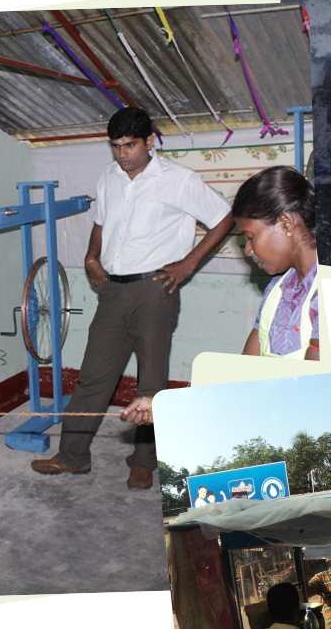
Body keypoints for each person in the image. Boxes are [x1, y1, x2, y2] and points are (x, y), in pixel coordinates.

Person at [32, 107, 232, 490]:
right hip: (112, 290)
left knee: (150, 383)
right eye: (116, 146)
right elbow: (102, 223)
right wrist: (91, 257)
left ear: (149, 141)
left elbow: (225, 217)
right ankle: (72, 456)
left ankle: (144, 463)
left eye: (130, 145)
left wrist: (188, 265)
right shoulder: (109, 177)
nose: (123, 154)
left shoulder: (178, 179)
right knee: (92, 377)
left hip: (154, 291)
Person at [232, 166, 320, 360]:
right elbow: (246, 365)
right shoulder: (277, 289)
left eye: (250, 237)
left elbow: (318, 384)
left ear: (287, 223)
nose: (248, 250)